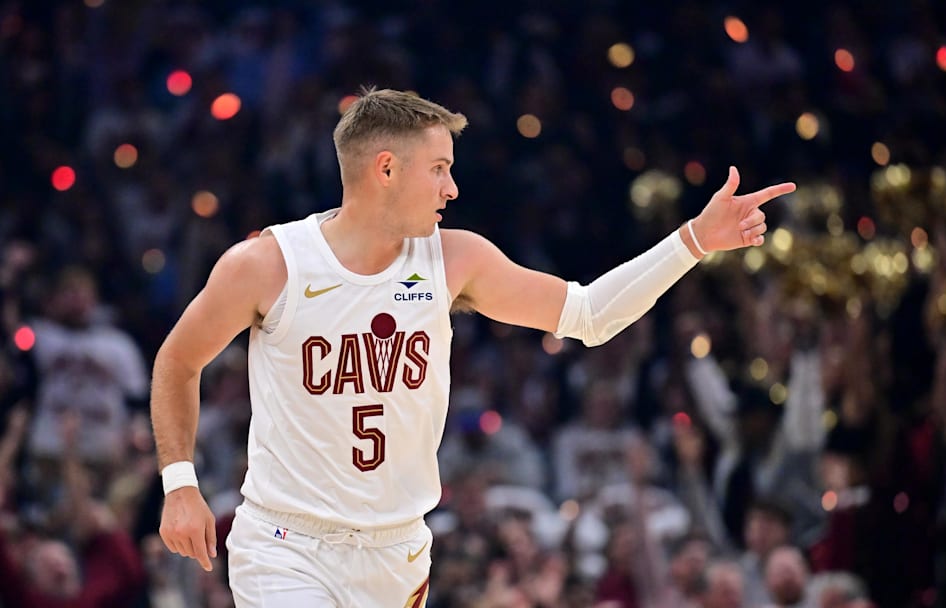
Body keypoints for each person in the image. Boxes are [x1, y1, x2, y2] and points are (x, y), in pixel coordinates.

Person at [150, 87, 795, 606]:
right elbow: (178, 361)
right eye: (438, 170)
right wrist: (179, 483)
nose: (451, 189)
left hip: (397, 550)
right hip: (286, 543)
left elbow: (590, 315)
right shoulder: (268, 264)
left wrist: (693, 242)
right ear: (385, 170)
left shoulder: (455, 259)